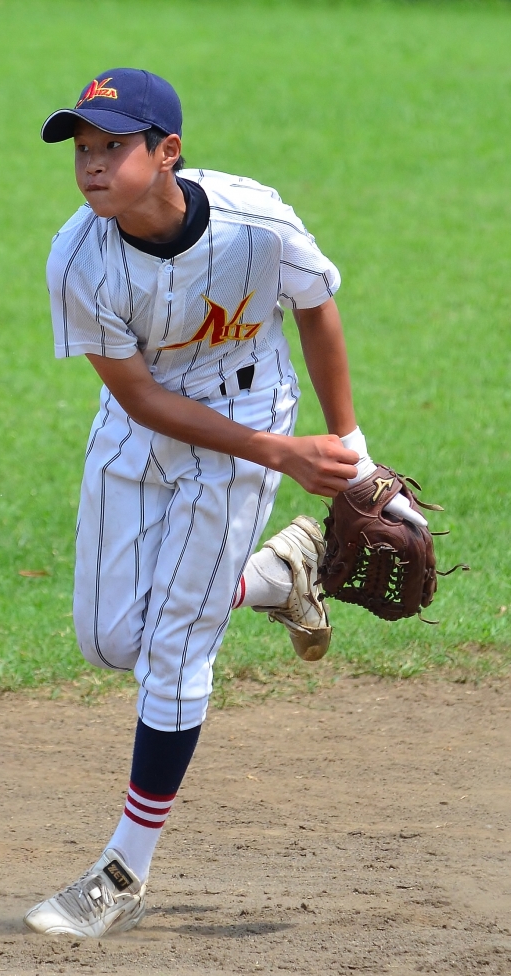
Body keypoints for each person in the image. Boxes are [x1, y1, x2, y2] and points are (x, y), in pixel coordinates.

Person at [24, 68, 424, 939]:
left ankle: (122, 874)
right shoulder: (78, 259)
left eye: (113, 146)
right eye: (83, 149)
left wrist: (348, 449)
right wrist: (286, 457)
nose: (93, 165)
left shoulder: (255, 222)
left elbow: (316, 306)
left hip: (249, 408)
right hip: (141, 432)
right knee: (111, 642)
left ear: (167, 151)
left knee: (174, 650)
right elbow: (138, 397)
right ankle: (279, 575)